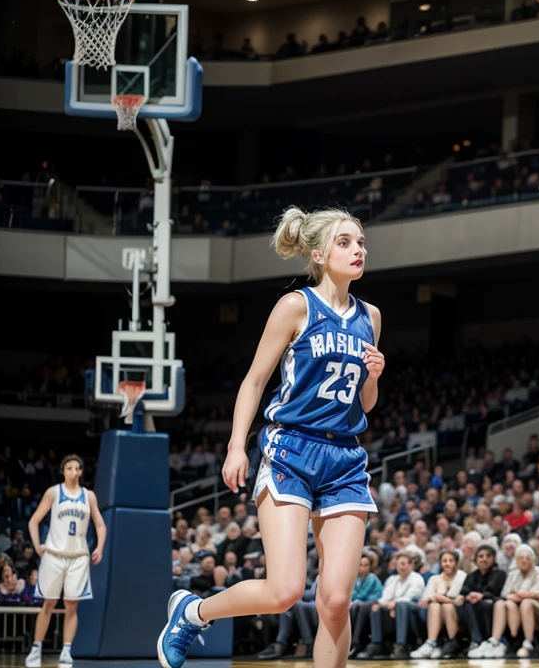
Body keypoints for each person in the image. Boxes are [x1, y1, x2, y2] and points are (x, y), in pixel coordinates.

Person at [157, 208, 385, 668]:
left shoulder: (372, 317)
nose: (357, 249)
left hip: (345, 458)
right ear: (319, 254)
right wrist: (237, 444)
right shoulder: (295, 305)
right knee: (284, 592)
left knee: (336, 602)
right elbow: (255, 380)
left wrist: (373, 378)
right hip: (292, 450)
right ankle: (193, 611)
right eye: (345, 242)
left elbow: (365, 405)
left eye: (360, 242)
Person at [26, 455, 107, 668]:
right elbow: (34, 520)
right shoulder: (53, 492)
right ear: (63, 471)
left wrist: (99, 547)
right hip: (53, 554)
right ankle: (36, 648)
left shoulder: (89, 496)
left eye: (77, 468)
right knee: (49, 603)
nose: (73, 471)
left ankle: (66, 651)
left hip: (78, 556)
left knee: (72, 606)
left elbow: (100, 525)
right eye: (69, 468)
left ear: (81, 472)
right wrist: (37, 545)